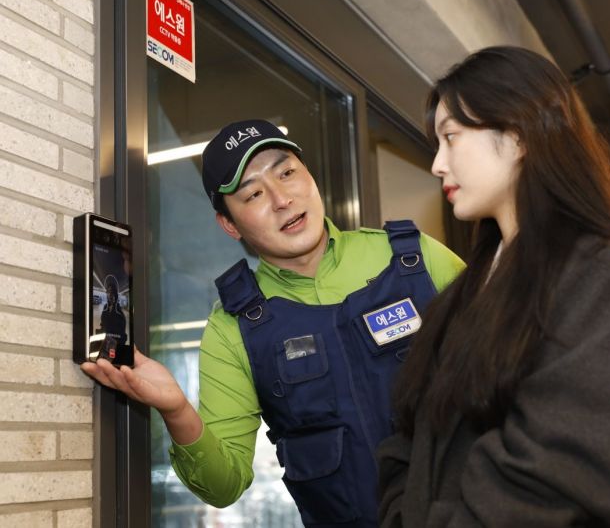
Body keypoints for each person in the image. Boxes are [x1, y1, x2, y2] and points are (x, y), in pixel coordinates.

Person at [377, 46, 610, 527]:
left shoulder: (602, 275)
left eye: (451, 138)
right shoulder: (463, 295)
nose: (437, 164)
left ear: (517, 136)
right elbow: (408, 441)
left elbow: (575, 467)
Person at [81, 119, 464, 526]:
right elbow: (223, 485)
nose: (282, 199)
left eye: (287, 173)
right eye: (253, 194)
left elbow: (515, 368)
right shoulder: (233, 329)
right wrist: (176, 408)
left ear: (310, 177)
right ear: (230, 225)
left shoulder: (415, 258)